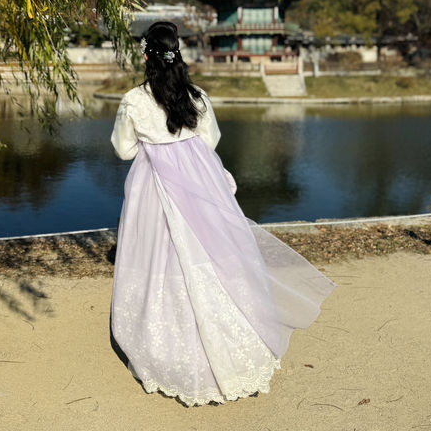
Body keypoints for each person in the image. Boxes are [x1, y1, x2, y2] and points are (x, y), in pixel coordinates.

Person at [110, 21, 336, 407]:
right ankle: (232, 333)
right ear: (177, 54)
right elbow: (210, 140)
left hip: (156, 189)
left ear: (146, 55)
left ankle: (166, 341)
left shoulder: (134, 100)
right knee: (210, 257)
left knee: (162, 257)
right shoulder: (196, 96)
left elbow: (123, 150)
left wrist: (157, 147)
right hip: (202, 187)